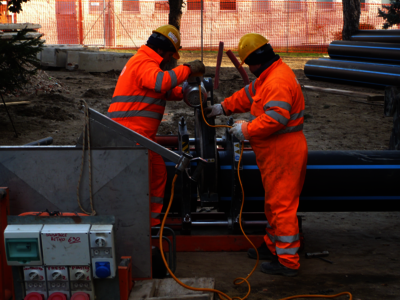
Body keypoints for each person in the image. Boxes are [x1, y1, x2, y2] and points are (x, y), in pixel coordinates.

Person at [205, 33, 308, 277]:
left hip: (283, 151)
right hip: (276, 150)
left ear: (255, 61)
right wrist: (223, 107)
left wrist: (246, 129)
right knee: (273, 203)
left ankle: (287, 262)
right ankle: (274, 247)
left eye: (248, 64)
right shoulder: (269, 75)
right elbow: (248, 94)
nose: (249, 70)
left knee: (282, 206)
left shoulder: (277, 81)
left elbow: (276, 118)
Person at [107, 25, 205, 227]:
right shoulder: (143, 62)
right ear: (161, 49)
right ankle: (138, 225)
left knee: (158, 172)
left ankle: (149, 223)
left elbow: (162, 91)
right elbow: (160, 83)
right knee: (141, 180)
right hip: (131, 134)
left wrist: (186, 93)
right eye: (170, 54)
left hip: (138, 135)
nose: (170, 59)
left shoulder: (146, 63)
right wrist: (187, 69)